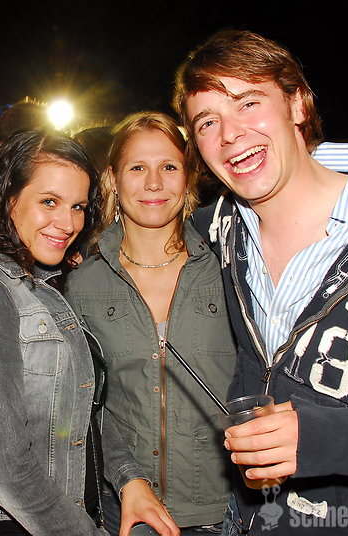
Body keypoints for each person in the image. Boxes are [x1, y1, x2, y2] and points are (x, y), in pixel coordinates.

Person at [174, 29, 348, 534]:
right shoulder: (217, 231)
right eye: (207, 121)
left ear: (297, 104)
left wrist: (332, 439)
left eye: (248, 103)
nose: (229, 134)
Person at [0, 130, 180, 536]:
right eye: (49, 201)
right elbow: (6, 470)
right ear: (8, 199)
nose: (68, 223)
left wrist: (130, 478)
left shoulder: (45, 286)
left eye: (78, 206)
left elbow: (82, 410)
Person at [65, 112, 237, 535]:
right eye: (138, 168)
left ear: (188, 177)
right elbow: (84, 407)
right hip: (124, 509)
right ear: (112, 179)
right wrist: (127, 479)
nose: (154, 183)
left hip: (222, 510)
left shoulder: (229, 271)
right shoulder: (82, 284)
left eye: (169, 167)